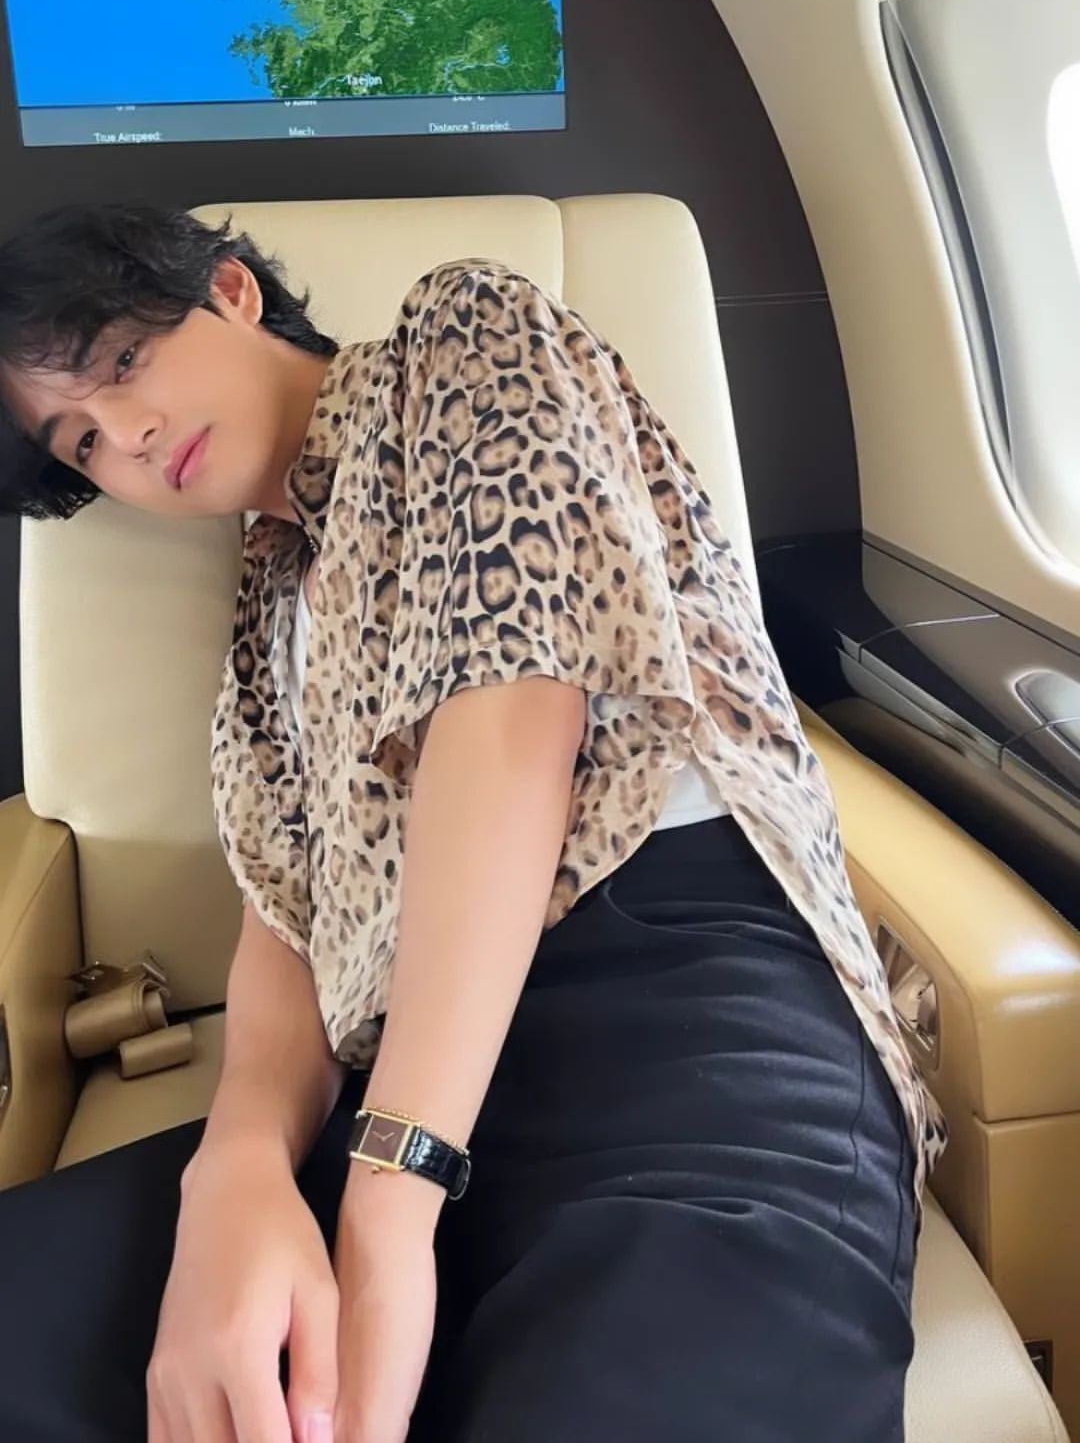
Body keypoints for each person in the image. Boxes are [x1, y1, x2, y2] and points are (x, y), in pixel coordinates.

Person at [0, 203, 946, 1443]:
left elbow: (510, 727)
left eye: (124, 361)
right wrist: (231, 1175)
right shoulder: (266, 617)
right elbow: (287, 921)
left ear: (230, 291)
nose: (125, 435)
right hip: (410, 1082)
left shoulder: (462, 333)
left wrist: (387, 1205)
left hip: (684, 1023)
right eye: (81, 442)